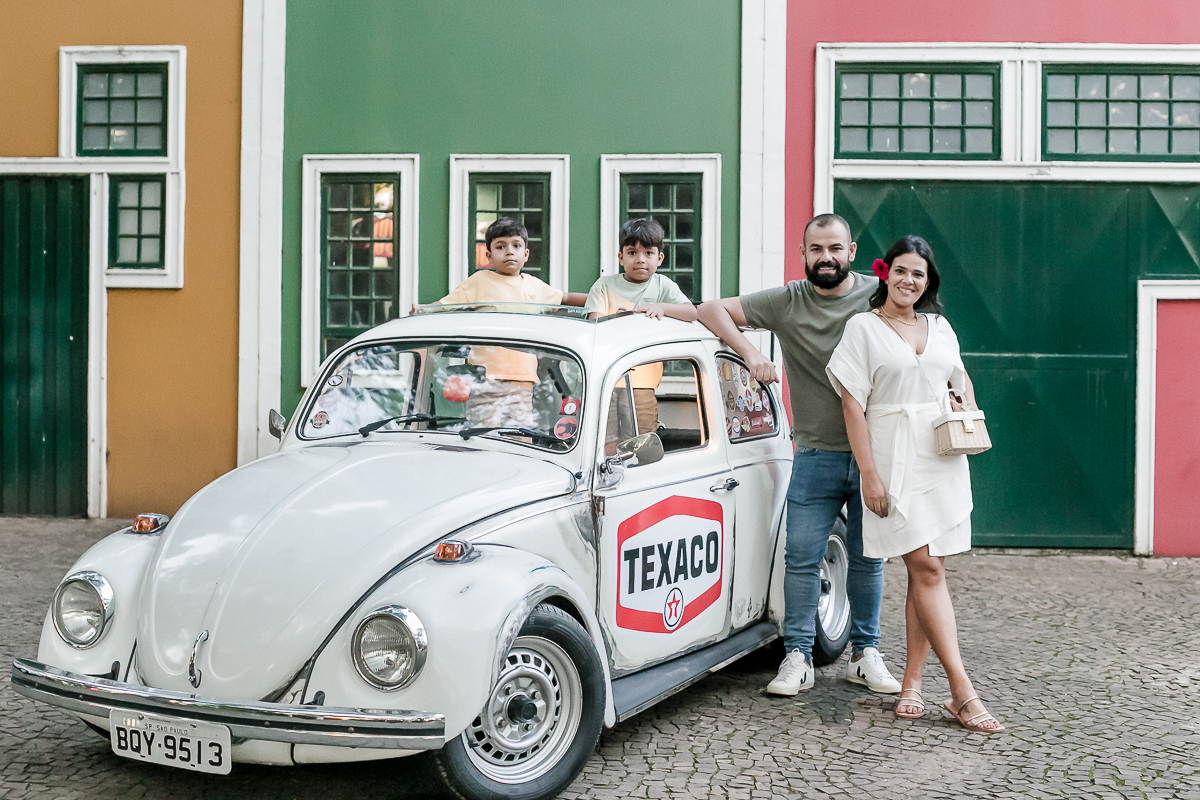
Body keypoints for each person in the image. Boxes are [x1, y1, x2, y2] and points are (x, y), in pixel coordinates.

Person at [697, 213, 901, 697]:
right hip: (814, 454)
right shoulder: (789, 301)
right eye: (815, 249)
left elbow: (925, 332)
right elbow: (710, 309)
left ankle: (865, 653)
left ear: (852, 252)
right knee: (802, 557)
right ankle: (798, 657)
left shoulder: (879, 295)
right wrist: (750, 352)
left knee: (868, 557)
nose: (825, 257)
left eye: (835, 248)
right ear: (803, 254)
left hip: (875, 454)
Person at [826, 235, 1004, 733]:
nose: (909, 281)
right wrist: (869, 475)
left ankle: (911, 684)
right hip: (891, 454)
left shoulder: (941, 326)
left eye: (919, 274)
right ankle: (962, 691)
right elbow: (852, 405)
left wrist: (964, 400)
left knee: (929, 572)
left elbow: (960, 377)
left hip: (940, 455)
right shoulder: (863, 327)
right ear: (886, 273)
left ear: (929, 282)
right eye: (902, 270)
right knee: (925, 567)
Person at [427, 217, 587, 428]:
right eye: (500, 246)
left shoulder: (534, 286)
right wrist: (423, 310)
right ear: (489, 255)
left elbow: (566, 298)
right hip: (483, 380)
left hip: (522, 380)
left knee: (518, 433)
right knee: (482, 435)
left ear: (526, 254)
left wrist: (603, 300)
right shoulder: (480, 280)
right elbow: (444, 305)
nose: (509, 251)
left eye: (516, 245)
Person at [586, 218, 697, 435]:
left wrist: (662, 307)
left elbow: (691, 312)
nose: (640, 260)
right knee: (603, 439)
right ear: (620, 257)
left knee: (642, 437)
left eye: (648, 253)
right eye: (632, 253)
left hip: (643, 380)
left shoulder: (662, 285)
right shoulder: (604, 285)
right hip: (604, 377)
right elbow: (594, 324)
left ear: (660, 258)